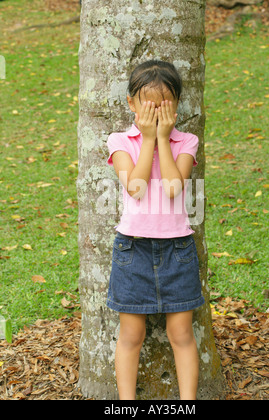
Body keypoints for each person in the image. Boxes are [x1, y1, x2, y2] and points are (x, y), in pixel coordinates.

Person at [106, 60, 205, 400]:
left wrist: (162, 138)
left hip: (178, 250)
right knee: (131, 335)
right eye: (148, 105)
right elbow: (134, 186)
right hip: (132, 251)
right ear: (132, 104)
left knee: (181, 333)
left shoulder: (186, 141)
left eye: (164, 106)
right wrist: (148, 138)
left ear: (177, 105)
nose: (157, 113)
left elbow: (174, 188)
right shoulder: (120, 140)